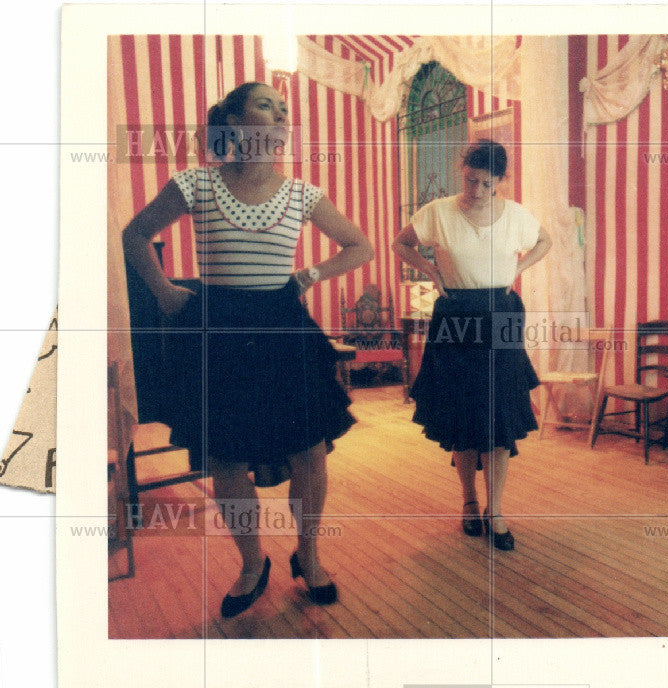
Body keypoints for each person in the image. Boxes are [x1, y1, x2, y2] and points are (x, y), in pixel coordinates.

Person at [122, 82, 374, 618]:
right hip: (220, 330)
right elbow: (134, 235)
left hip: (283, 328)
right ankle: (251, 562)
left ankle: (307, 555)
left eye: (285, 109)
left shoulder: (303, 194)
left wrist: (310, 274)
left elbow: (360, 245)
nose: (281, 114)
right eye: (267, 104)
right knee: (227, 457)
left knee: (308, 450)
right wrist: (165, 291)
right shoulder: (194, 184)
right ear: (234, 121)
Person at [392, 140, 552, 551]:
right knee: (462, 415)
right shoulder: (438, 212)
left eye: (485, 183)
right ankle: (469, 501)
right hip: (455, 314)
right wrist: (428, 267)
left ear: (499, 180)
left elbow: (545, 241)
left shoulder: (516, 215)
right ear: (460, 169)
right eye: (469, 179)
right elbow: (401, 243)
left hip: (501, 313)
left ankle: (495, 510)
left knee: (499, 417)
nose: (476, 190)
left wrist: (519, 266)